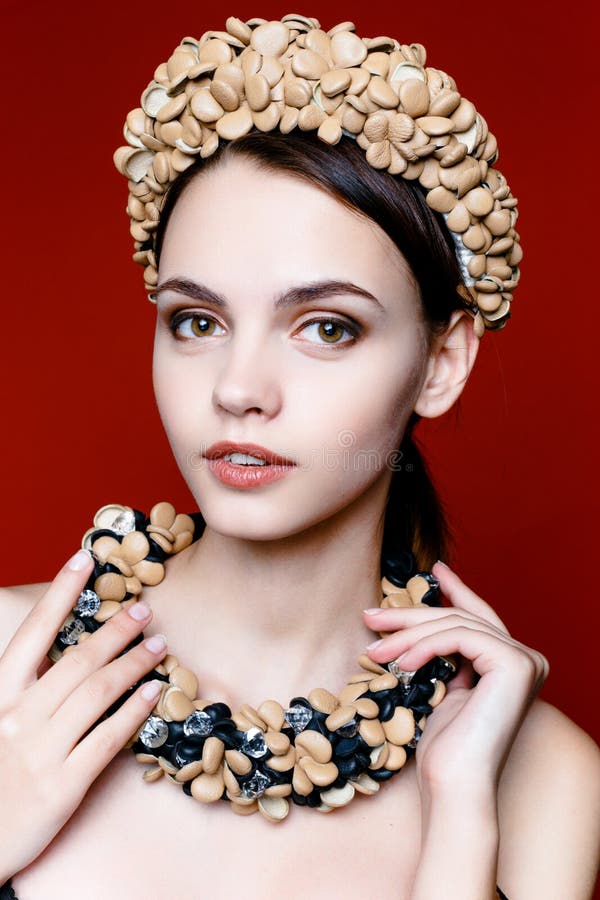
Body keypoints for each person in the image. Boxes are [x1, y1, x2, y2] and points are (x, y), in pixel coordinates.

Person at [1, 12, 599, 899]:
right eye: (196, 322)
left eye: (326, 327)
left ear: (441, 364)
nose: (240, 388)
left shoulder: (544, 779)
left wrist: (460, 819)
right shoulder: (8, 664)